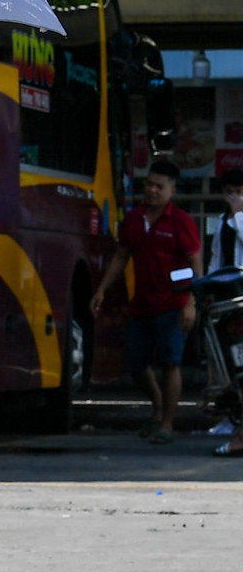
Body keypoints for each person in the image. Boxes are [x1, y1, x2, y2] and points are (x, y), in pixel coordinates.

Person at [91, 160, 199, 446]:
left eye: (158, 186)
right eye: (149, 184)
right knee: (135, 365)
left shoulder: (182, 222)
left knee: (170, 364)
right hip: (141, 305)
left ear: (171, 191)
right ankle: (159, 405)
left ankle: (166, 424)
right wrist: (101, 289)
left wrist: (191, 303)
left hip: (174, 305)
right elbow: (121, 256)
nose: (151, 190)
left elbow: (195, 263)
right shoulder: (134, 218)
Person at [201, 169, 243, 454]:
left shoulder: (238, 219)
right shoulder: (222, 221)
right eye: (229, 191)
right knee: (234, 370)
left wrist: (239, 213)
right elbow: (217, 257)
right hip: (229, 302)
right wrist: (207, 288)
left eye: (239, 191)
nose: (233, 196)